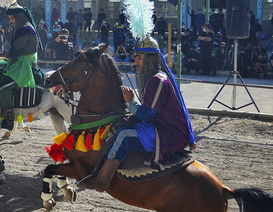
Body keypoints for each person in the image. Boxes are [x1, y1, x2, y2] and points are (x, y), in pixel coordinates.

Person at [83, 35, 196, 192]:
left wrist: (130, 102)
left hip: (169, 133)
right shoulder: (155, 78)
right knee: (122, 127)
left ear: (149, 59)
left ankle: (102, 180)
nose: (136, 62)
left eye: (139, 58)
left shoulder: (158, 80)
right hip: (162, 126)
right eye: (136, 58)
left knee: (124, 135)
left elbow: (145, 115)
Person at [0, 5, 40, 125]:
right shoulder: (22, 27)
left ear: (18, 17)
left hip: (23, 65)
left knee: (2, 88)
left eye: (12, 18)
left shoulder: (25, 29)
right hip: (20, 61)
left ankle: (9, 120)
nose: (10, 21)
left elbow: (14, 51)